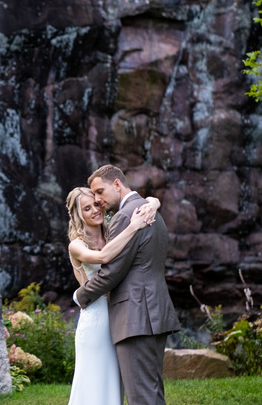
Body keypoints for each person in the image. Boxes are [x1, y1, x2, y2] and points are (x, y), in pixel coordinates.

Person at [75, 165, 181, 405]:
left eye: (100, 192)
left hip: (135, 316)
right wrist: (155, 201)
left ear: (117, 184)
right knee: (152, 392)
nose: (98, 200)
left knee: (140, 397)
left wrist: (80, 296)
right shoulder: (150, 210)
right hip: (155, 312)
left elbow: (112, 273)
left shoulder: (126, 216)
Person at [66, 186, 160, 405]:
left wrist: (154, 204)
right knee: (94, 382)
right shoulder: (76, 245)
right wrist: (134, 226)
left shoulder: (112, 232)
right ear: (78, 215)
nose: (95, 211)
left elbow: (150, 198)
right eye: (86, 208)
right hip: (95, 322)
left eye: (96, 205)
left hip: (119, 315)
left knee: (113, 383)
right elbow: (104, 257)